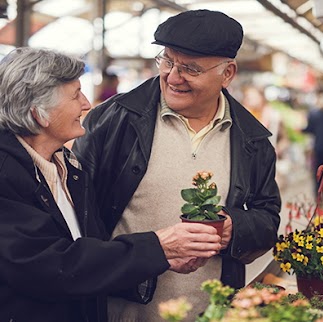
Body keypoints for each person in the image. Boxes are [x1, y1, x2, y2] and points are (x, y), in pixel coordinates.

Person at [73, 9, 281, 321]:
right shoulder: (112, 121)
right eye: (167, 61)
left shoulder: (252, 141)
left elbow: (268, 217)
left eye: (190, 69)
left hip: (209, 311)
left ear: (227, 73)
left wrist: (234, 229)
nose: (172, 77)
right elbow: (77, 211)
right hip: (120, 308)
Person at [0, 47, 222, 322]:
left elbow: (88, 254)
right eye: (75, 95)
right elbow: (50, 266)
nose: (86, 104)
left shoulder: (69, 167)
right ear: (39, 113)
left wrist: (161, 260)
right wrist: (158, 247)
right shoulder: (6, 176)